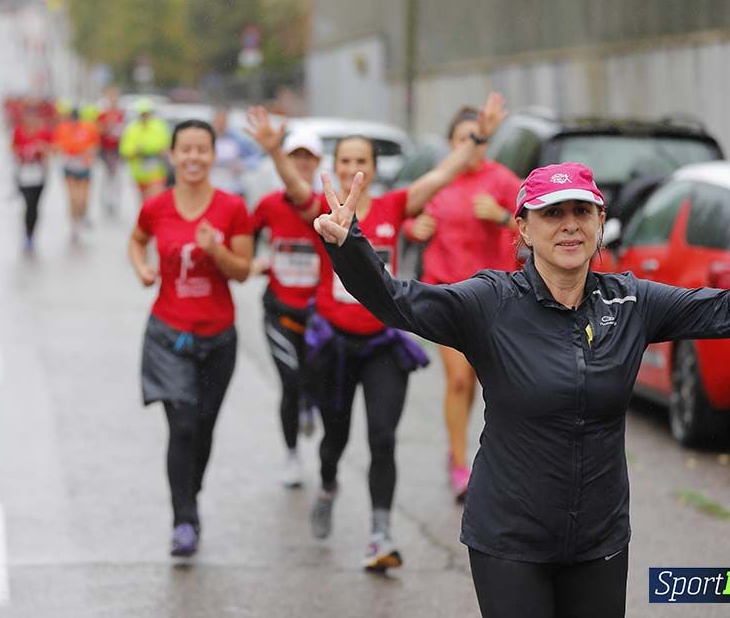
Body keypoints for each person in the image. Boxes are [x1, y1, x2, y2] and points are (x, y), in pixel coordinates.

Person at [312, 162, 730, 616]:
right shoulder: (490, 302)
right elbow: (399, 302)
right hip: (509, 542)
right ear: (524, 228)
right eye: (553, 213)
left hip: (599, 541)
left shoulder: (632, 302)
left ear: (599, 222)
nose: (569, 224)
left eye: (581, 211)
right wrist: (349, 247)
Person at [268, 99, 502, 572]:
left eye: (363, 162)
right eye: (346, 161)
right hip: (332, 344)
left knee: (382, 438)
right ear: (335, 168)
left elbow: (440, 176)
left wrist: (476, 140)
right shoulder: (321, 208)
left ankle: (380, 535)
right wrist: (277, 152)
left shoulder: (396, 206)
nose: (355, 168)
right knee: (334, 439)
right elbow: (294, 186)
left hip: (382, 345)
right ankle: (329, 483)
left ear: (374, 169)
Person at [128, 119, 254, 558]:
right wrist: (142, 268)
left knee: (203, 428)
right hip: (168, 335)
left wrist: (216, 250)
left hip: (218, 338)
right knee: (181, 426)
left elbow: (242, 270)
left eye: (202, 149)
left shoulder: (233, 208)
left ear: (214, 155)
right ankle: (183, 519)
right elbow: (136, 240)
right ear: (173, 155)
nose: (194, 157)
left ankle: (189, 494)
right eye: (186, 149)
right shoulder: (156, 205)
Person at [402, 98, 519, 502]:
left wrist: (503, 217)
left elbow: (538, 228)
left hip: (495, 296)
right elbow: (404, 212)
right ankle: (457, 463)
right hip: (446, 292)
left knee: (486, 384)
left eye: (478, 140)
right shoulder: (440, 180)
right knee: (457, 378)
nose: (471, 147)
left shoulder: (504, 182)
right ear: (451, 145)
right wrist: (414, 227)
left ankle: (487, 461)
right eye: (462, 140)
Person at [244, 107, 324, 487]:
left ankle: (310, 401)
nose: (302, 164)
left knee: (314, 382)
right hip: (279, 308)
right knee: (289, 380)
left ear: (319, 163)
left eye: (309, 158)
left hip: (319, 315)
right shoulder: (269, 205)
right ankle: (292, 455)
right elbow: (245, 235)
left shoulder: (326, 206)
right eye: (296, 157)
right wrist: (251, 260)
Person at [53, 108, 100, 241]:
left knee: (83, 199)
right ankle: (74, 225)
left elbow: (95, 145)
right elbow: (56, 146)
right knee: (73, 198)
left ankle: (82, 216)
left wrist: (88, 152)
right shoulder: (62, 128)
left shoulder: (88, 128)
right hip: (69, 166)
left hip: (84, 166)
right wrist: (63, 151)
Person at [11, 108, 52, 253]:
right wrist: (22, 152)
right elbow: (13, 148)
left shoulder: (44, 132)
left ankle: (32, 233)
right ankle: (27, 234)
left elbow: (52, 149)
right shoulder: (19, 131)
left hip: (39, 173)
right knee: (28, 204)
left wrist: (42, 148)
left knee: (35, 206)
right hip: (24, 173)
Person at [119, 98, 170, 204]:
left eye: (147, 114)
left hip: (156, 171)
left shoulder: (159, 126)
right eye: (142, 114)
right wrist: (136, 151)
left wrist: (161, 151)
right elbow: (124, 150)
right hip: (139, 174)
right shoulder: (132, 129)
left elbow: (168, 146)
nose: (145, 117)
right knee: (145, 204)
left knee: (154, 201)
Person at [210, 107, 258, 197]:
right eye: (218, 121)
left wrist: (243, 164)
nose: (220, 124)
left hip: (233, 189)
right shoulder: (206, 139)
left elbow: (255, 157)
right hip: (212, 189)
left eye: (223, 121)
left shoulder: (238, 140)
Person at [96, 88, 127, 216]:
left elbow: (125, 131)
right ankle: (106, 200)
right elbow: (98, 130)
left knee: (116, 175)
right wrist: (107, 126)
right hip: (106, 149)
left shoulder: (122, 114)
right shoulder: (103, 115)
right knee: (107, 175)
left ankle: (114, 200)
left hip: (118, 149)